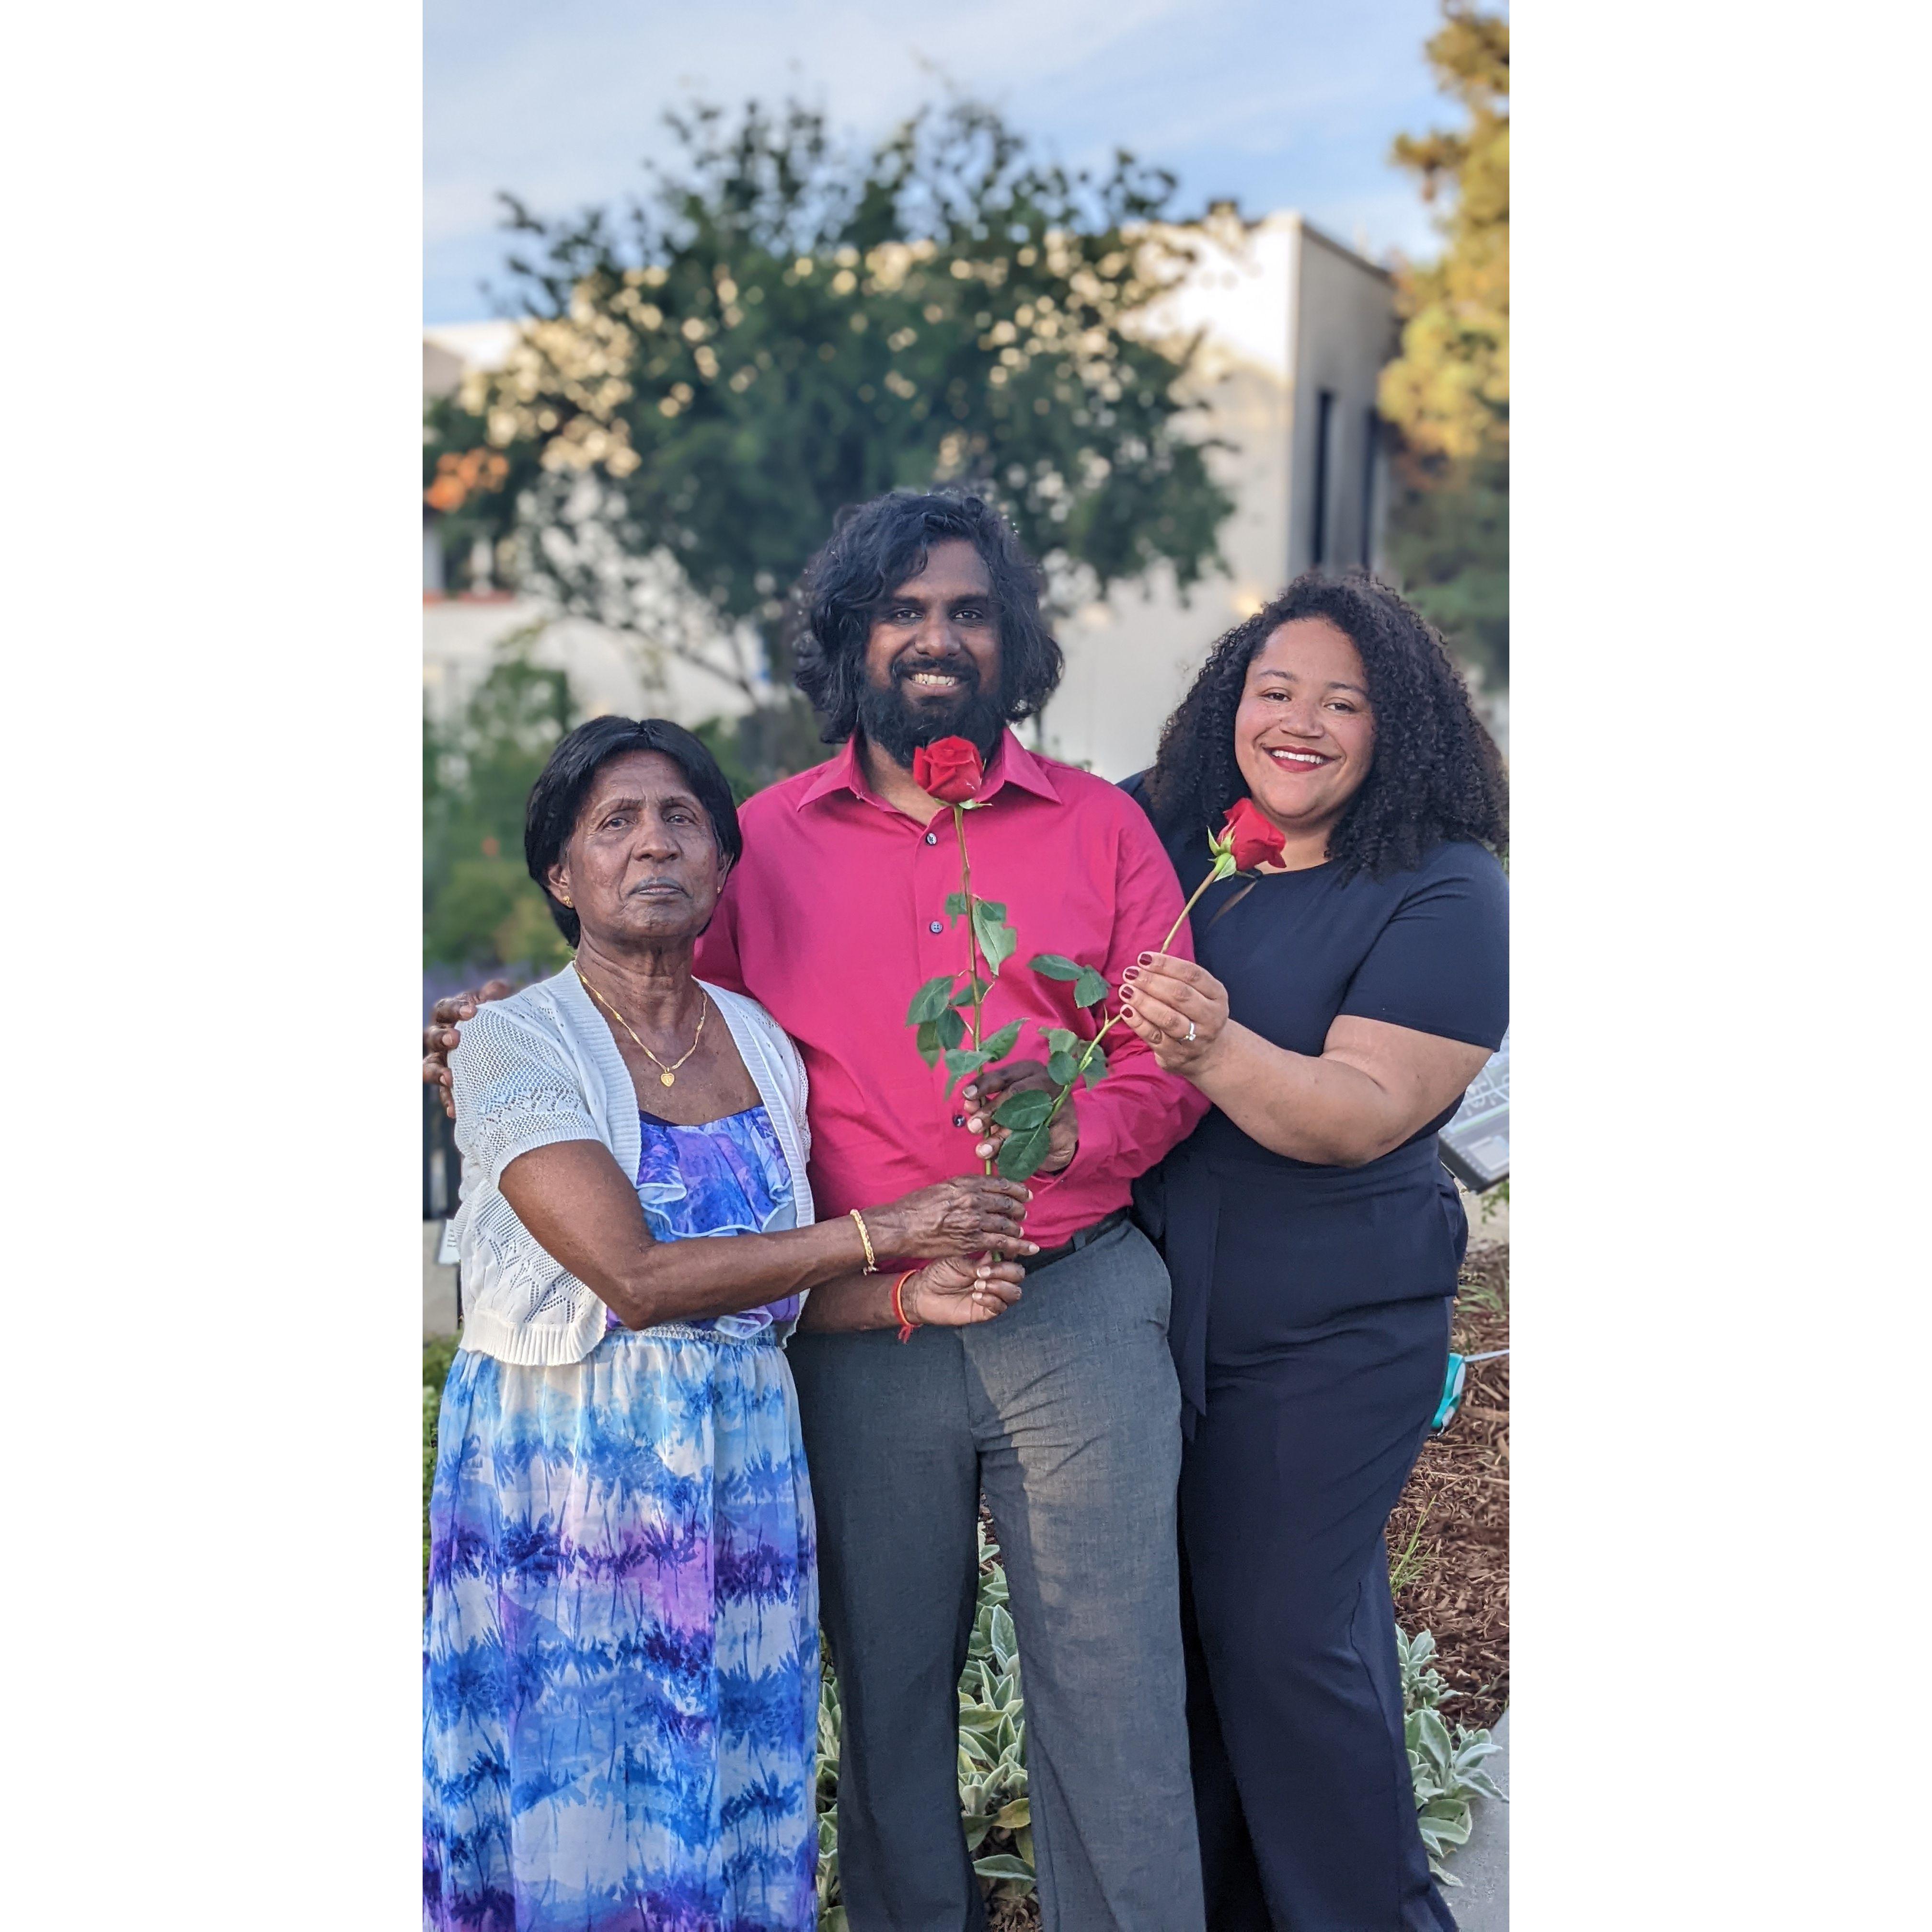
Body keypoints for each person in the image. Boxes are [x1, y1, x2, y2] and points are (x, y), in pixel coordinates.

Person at [427, 492, 1212, 1932]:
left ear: (1012, 637)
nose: (935, 637)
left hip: (1077, 1297)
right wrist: (500, 1028)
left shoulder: (1102, 829)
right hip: (852, 1336)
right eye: (901, 612)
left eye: (967, 610)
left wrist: (1057, 1144)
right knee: (887, 1701)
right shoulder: (761, 842)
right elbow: (643, 1011)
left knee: (1116, 1694)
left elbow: (1172, 1060)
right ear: (852, 640)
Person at [422, 715, 1038, 1932]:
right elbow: (637, 1279)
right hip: (573, 1485)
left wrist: (906, 1294)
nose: (654, 843)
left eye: (682, 819)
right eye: (614, 822)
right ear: (561, 874)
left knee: (731, 1794)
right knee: (587, 1809)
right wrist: (885, 1232)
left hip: (742, 1483)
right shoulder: (508, 1042)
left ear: (722, 862)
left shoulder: (758, 1042)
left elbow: (766, 1300)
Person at [1115, 573, 1508, 1932]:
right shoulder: (1166, 831)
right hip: (1151, 1302)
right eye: (1275, 690)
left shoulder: (1447, 888)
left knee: (1286, 1641)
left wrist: (1209, 1042)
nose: (1301, 722)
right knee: (1190, 1648)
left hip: (1333, 1327)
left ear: (1397, 729)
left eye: (1345, 703)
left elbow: (1356, 1114)